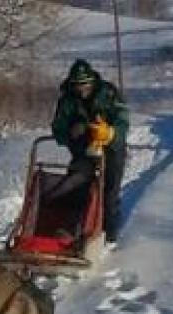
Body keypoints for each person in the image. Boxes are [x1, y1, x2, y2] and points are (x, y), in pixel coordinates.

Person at [50, 59, 129, 244]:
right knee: (76, 185)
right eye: (77, 85)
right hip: (83, 150)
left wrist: (110, 133)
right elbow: (57, 128)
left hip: (111, 147)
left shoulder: (109, 93)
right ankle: (74, 231)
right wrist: (70, 133)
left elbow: (123, 121)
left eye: (85, 84)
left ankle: (108, 233)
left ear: (93, 81)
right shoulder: (67, 99)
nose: (81, 89)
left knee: (109, 190)